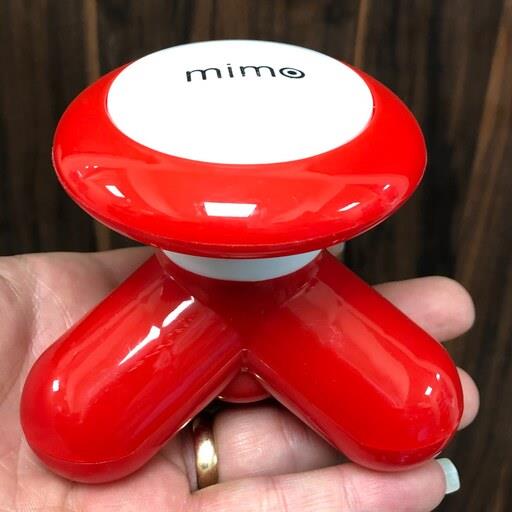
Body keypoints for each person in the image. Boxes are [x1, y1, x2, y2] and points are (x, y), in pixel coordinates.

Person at [0, 248, 479, 511]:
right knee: (69, 421)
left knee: (417, 411)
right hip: (191, 283)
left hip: (287, 280)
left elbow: (418, 416)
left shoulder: (411, 392)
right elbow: (65, 429)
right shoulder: (73, 405)